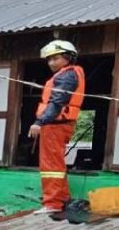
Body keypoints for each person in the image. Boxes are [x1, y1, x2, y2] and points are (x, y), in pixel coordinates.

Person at [28, 40, 85, 214]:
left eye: (56, 58)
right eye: (49, 59)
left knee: (50, 166)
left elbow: (57, 103)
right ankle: (62, 199)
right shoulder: (69, 74)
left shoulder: (66, 75)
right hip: (58, 124)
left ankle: (52, 203)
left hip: (55, 125)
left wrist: (39, 122)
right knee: (56, 164)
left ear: (68, 58)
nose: (51, 62)